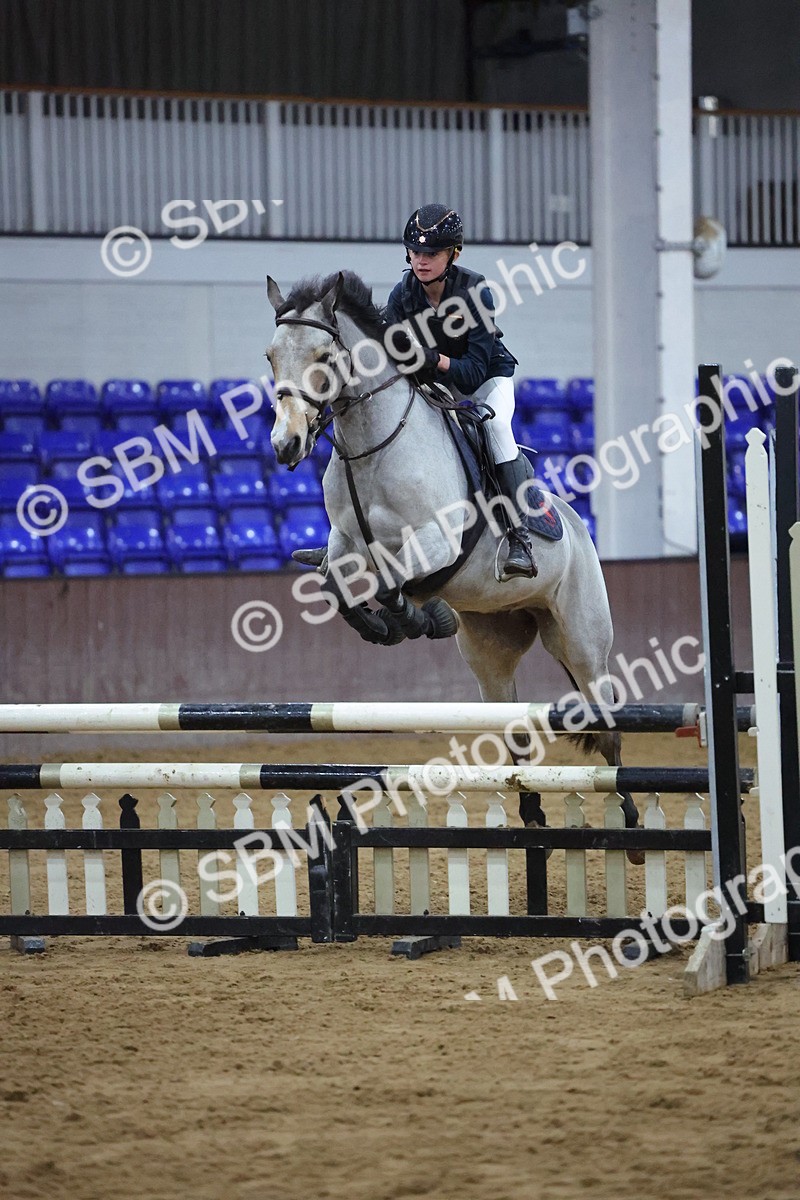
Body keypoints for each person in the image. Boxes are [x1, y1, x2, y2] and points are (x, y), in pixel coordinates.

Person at [386, 203, 535, 579]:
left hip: (488, 378)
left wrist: (428, 357)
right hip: (438, 380)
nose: (421, 261)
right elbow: (385, 348)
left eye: (432, 253)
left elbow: (472, 374)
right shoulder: (403, 295)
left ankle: (520, 539)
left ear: (453, 254)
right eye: (415, 252)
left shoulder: (475, 291)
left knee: (497, 427)